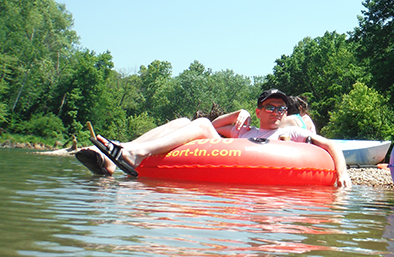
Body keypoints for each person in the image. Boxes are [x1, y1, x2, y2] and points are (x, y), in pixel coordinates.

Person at [80, 89, 351, 188]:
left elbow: (328, 145)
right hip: (235, 157)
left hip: (261, 183)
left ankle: (128, 154)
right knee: (183, 122)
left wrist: (342, 172)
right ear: (258, 111)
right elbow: (212, 125)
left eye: (281, 108)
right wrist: (238, 113)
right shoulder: (244, 131)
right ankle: (119, 154)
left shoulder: (290, 132)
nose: (277, 112)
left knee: (197, 123)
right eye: (270, 107)